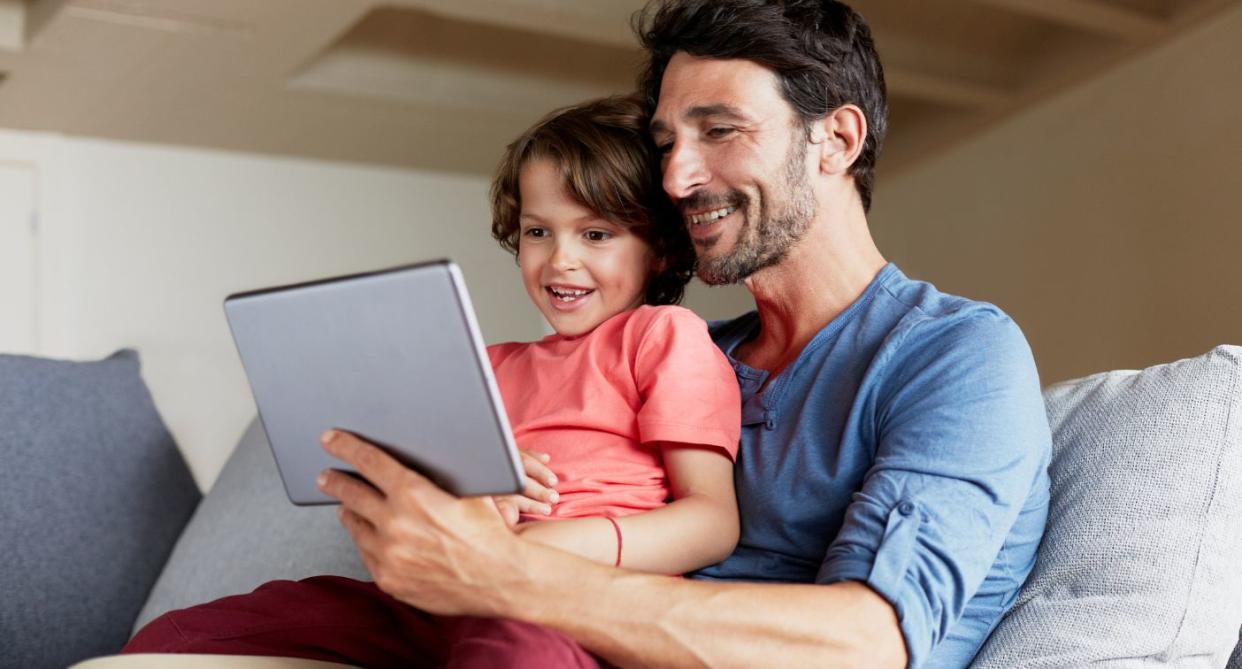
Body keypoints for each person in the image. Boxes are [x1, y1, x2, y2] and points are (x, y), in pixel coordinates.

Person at [134, 1, 1054, 667]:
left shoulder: (952, 354)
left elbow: (867, 641)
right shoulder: (690, 349)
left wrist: (503, 575)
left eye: (720, 130)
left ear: (837, 140)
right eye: (664, 142)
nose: (680, 174)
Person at [123, 96, 743, 667]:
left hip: (572, 597)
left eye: (596, 234)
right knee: (179, 636)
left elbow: (711, 523)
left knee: (512, 651)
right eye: (537, 231)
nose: (561, 259)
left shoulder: (663, 335)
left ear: (660, 248)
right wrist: (474, 496)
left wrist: (543, 552)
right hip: (449, 589)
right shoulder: (488, 364)